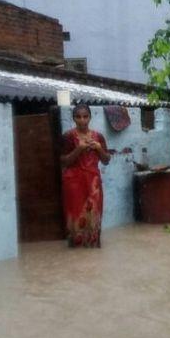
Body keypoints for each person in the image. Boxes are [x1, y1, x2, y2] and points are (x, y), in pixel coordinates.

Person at [61, 104, 111, 247]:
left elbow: (106, 160)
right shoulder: (68, 136)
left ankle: (93, 246)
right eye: (78, 117)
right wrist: (79, 149)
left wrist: (99, 148)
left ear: (90, 117)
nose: (82, 120)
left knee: (94, 212)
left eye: (85, 116)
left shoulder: (98, 137)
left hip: (93, 182)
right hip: (74, 182)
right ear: (73, 118)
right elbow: (63, 161)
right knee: (76, 214)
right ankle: (76, 248)